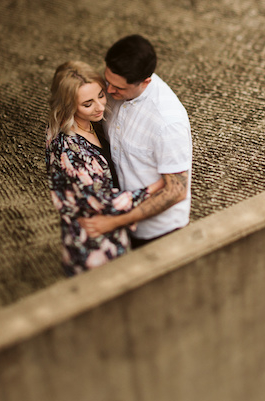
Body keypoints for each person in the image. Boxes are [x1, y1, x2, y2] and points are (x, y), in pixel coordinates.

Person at [45, 61, 158, 275]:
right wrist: (156, 186)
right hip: (94, 243)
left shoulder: (80, 122)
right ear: (68, 105)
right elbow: (105, 202)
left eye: (100, 95)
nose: (99, 106)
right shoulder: (71, 151)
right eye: (87, 103)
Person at [81, 35, 193, 248]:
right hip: (118, 211)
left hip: (157, 231)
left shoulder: (167, 123)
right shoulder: (115, 84)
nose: (109, 91)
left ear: (145, 82)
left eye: (118, 89)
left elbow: (176, 190)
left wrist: (115, 222)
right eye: (108, 81)